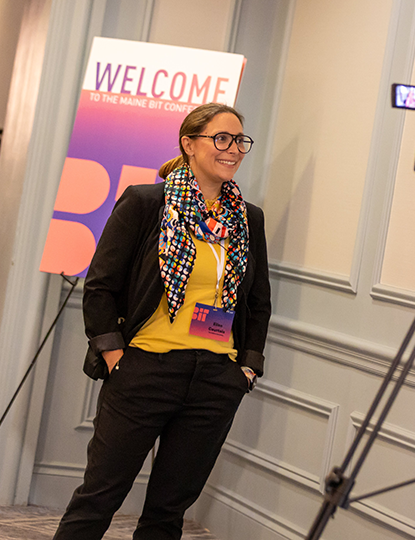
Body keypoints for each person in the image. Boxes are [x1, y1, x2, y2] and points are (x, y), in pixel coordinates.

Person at [54, 103, 272, 540]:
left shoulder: (248, 218)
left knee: (168, 511)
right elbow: (100, 285)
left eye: (240, 141)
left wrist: (245, 369)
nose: (233, 150)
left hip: (215, 379)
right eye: (221, 139)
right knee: (100, 496)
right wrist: (116, 356)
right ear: (189, 144)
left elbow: (257, 302)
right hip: (144, 370)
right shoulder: (146, 202)